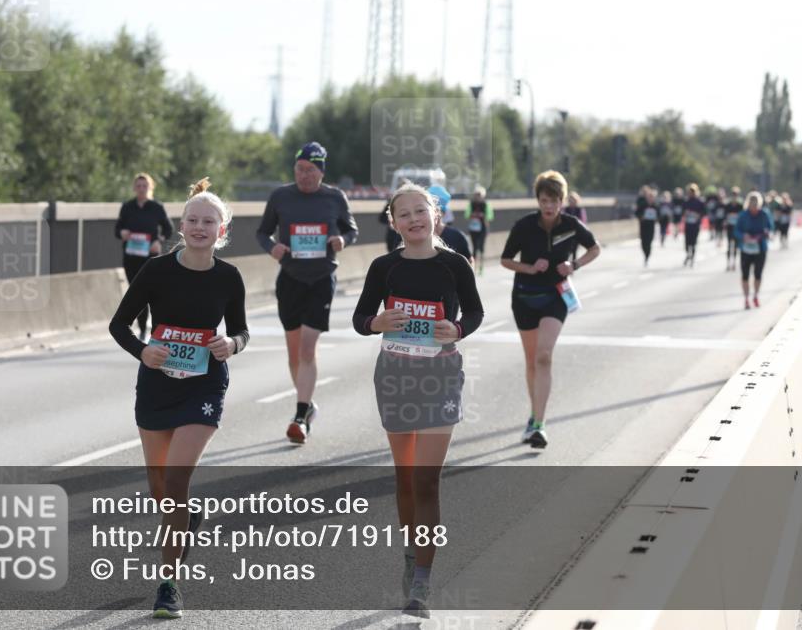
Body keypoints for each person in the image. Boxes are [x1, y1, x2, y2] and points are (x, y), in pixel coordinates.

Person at [109, 178, 249, 619]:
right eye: (192, 220)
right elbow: (119, 325)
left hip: (205, 384)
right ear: (181, 226)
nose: (200, 227)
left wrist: (234, 345)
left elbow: (242, 329)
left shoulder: (230, 276)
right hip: (157, 383)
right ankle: (188, 519)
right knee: (160, 490)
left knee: (174, 483)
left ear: (222, 229)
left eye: (209, 221)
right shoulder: (156, 270)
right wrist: (143, 350)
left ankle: (168, 584)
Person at [352, 182, 483, 618]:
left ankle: (422, 583)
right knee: (406, 479)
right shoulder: (383, 267)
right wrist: (377, 321)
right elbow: (359, 319)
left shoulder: (455, 265)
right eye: (403, 214)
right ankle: (412, 556)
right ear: (394, 223)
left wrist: (457, 329)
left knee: (427, 480)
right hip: (395, 375)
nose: (413, 219)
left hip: (439, 376)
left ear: (436, 214)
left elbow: (475, 312)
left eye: (420, 211)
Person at [256, 141, 358, 444]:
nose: (304, 176)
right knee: (293, 352)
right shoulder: (280, 196)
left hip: (321, 279)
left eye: (310, 171)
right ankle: (308, 403)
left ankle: (300, 415)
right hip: (289, 278)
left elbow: (352, 229)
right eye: (299, 170)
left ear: (321, 172)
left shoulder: (334, 198)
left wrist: (342, 240)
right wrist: (272, 247)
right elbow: (262, 232)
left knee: (307, 349)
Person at [500, 171, 601, 449]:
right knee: (532, 360)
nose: (549, 206)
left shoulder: (571, 224)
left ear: (563, 201)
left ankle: (540, 425)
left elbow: (595, 248)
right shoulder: (524, 226)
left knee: (544, 357)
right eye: (545, 200)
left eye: (555, 201)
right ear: (538, 200)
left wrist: (575, 265)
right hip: (524, 297)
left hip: (555, 297)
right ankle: (534, 415)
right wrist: (529, 268)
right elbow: (506, 260)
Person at [115, 173, 174, 342]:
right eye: (138, 186)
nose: (141, 189)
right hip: (131, 256)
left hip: (150, 258)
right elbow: (117, 229)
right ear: (134, 188)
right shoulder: (127, 207)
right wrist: (122, 233)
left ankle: (156, 328)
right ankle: (141, 330)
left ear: (150, 188)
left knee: (151, 293)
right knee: (136, 293)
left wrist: (159, 241)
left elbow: (169, 229)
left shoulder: (157, 207)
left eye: (144, 186)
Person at [734, 191, 774, 310]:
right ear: (748, 203)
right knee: (745, 274)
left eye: (756, 203)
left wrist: (766, 233)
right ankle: (746, 298)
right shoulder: (743, 215)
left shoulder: (764, 214)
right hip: (746, 248)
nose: (754, 206)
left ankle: (756, 295)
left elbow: (770, 227)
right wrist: (743, 236)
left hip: (760, 248)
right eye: (752, 203)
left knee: (758, 274)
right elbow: (736, 230)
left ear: (760, 204)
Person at [464, 185, 494, 273]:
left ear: (483, 195)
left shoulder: (486, 204)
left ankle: (481, 266)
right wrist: (473, 215)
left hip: (483, 228)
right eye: (476, 194)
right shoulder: (471, 204)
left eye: (479, 194)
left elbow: (490, 216)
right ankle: (474, 267)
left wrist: (483, 216)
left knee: (481, 248)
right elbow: (466, 215)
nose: (478, 196)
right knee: (474, 248)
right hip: (473, 228)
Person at [682, 183, 706, 267]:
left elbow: (704, 212)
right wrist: (685, 213)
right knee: (687, 242)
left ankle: (692, 257)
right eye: (690, 191)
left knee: (694, 242)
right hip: (688, 224)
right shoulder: (686, 201)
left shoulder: (700, 202)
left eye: (693, 191)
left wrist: (698, 215)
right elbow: (682, 211)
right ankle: (688, 254)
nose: (691, 193)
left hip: (695, 225)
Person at [635, 186, 658, 267]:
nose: (650, 199)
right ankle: (645, 254)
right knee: (643, 242)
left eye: (652, 197)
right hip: (643, 225)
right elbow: (637, 213)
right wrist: (641, 217)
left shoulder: (655, 206)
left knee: (649, 242)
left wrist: (656, 218)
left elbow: (659, 215)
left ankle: (647, 256)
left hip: (651, 227)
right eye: (649, 197)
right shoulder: (643, 205)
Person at [724, 187, 743, 271]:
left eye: (736, 194)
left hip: (737, 229)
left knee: (735, 246)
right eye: (733, 194)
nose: (734, 196)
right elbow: (725, 216)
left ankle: (734, 263)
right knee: (728, 246)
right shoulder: (727, 205)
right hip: (729, 227)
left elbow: (742, 217)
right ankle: (728, 263)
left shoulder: (740, 206)